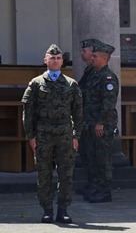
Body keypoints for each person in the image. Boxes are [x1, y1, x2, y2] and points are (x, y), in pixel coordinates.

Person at [21, 44, 82, 223]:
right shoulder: (36, 84)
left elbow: (78, 112)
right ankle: (47, 209)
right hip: (43, 135)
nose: (55, 61)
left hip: (65, 135)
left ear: (62, 61)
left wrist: (76, 136)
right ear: (45, 60)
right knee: (44, 173)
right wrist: (30, 136)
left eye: (58, 58)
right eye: (51, 58)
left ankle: (63, 209)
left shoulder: (71, 84)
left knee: (66, 174)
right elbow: (28, 111)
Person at [83, 40, 118, 203]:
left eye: (95, 56)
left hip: (102, 124)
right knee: (93, 157)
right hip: (91, 122)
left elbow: (108, 103)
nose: (92, 58)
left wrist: (101, 122)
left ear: (104, 58)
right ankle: (95, 187)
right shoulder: (93, 73)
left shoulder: (108, 78)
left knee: (102, 159)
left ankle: (105, 191)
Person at [77, 38, 98, 200]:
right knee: (88, 155)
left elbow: (107, 102)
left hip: (96, 122)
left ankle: (101, 189)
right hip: (87, 120)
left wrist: (101, 122)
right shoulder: (89, 71)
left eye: (85, 51)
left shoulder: (104, 75)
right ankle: (92, 185)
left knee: (99, 157)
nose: (82, 53)